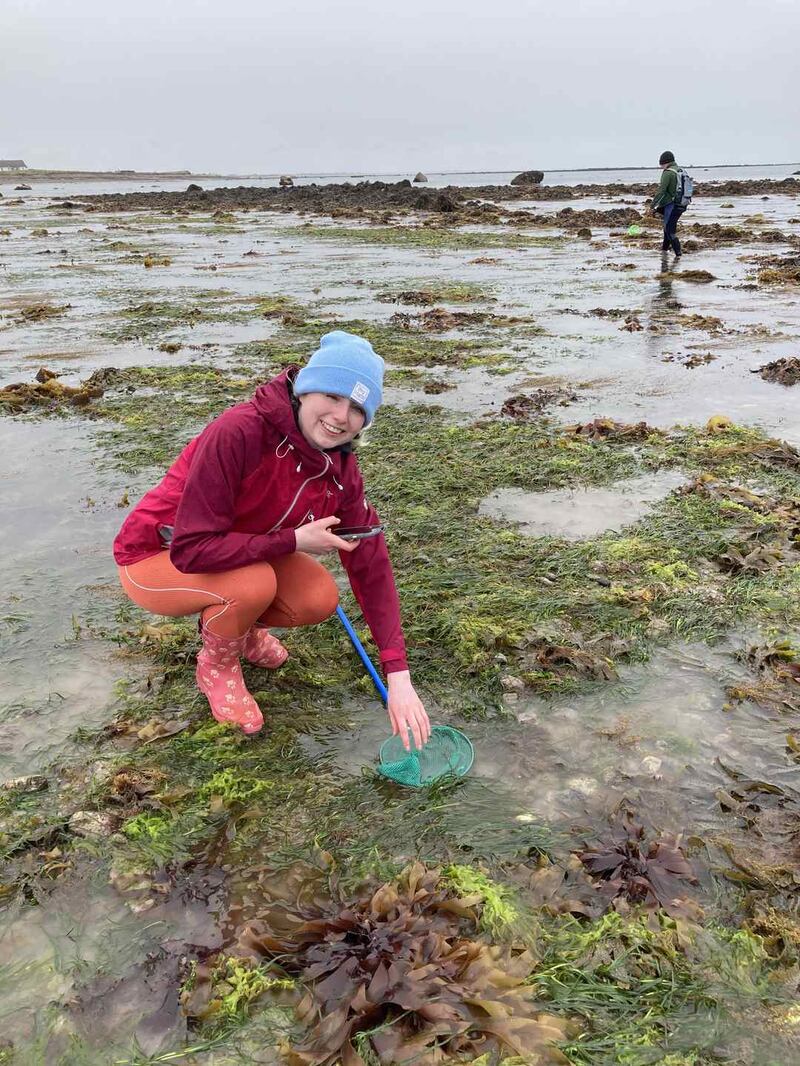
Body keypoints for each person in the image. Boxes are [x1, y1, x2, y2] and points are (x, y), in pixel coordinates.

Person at [113, 330, 431, 750]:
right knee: (253, 583)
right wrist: (292, 541)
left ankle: (241, 631)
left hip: (241, 550)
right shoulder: (239, 431)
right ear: (305, 389)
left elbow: (370, 561)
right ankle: (217, 666)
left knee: (318, 597)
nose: (341, 416)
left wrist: (399, 675)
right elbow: (192, 549)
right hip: (158, 556)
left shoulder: (340, 467)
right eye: (333, 397)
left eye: (358, 408)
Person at [651, 150, 684, 258]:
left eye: (661, 164)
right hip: (682, 204)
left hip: (672, 205)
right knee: (667, 228)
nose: (661, 167)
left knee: (670, 231)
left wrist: (653, 205)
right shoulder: (680, 170)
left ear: (665, 162)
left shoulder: (668, 173)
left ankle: (678, 256)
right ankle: (664, 252)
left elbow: (662, 191)